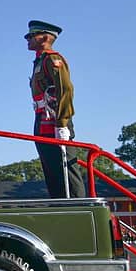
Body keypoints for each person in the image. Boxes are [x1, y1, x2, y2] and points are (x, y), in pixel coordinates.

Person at [26, 20, 86, 198]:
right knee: (50, 167)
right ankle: (58, 202)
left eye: (32, 36)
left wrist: (62, 123)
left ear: (44, 37)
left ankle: (76, 206)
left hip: (55, 120)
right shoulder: (39, 61)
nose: (27, 39)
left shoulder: (53, 59)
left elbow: (65, 90)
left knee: (66, 169)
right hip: (41, 119)